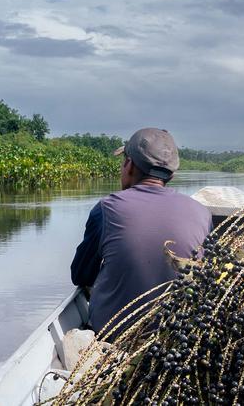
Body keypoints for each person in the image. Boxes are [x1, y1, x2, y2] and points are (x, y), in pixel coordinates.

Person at [70, 128, 211, 335]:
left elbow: (81, 275)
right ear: (171, 174)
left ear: (129, 165)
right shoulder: (202, 212)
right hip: (176, 337)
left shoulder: (107, 208)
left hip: (112, 337)